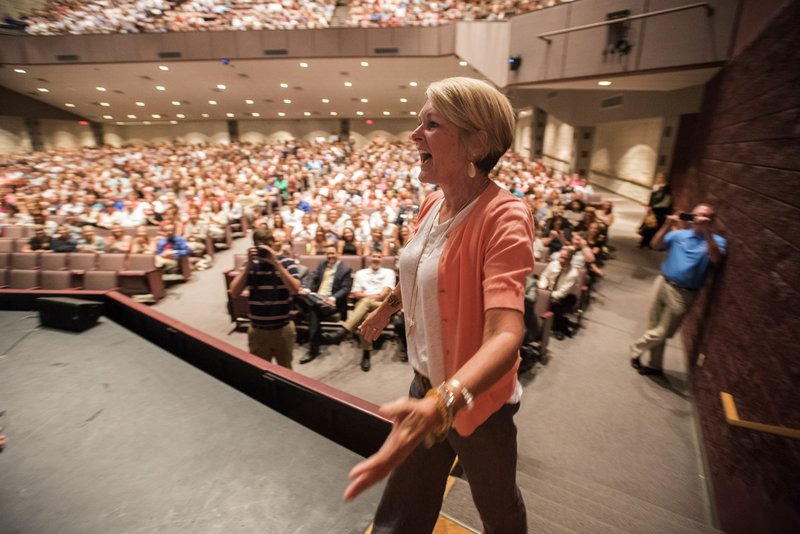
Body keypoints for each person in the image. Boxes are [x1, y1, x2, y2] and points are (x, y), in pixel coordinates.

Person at [344, 77, 533, 534]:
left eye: (431, 124)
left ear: (476, 142)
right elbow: (421, 271)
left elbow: (506, 334)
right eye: (419, 122)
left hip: (476, 401)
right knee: (403, 507)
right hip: (424, 387)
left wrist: (445, 402)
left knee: (498, 510)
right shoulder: (432, 203)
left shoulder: (504, 216)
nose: (414, 134)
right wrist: (388, 306)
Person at [630, 203, 726, 375]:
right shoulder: (680, 234)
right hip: (662, 282)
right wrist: (667, 225)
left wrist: (707, 232)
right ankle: (655, 366)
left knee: (663, 332)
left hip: (683, 292)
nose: (698, 219)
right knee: (653, 326)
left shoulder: (717, 241)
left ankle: (635, 348)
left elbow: (716, 258)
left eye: (704, 216)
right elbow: (655, 245)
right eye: (695, 215)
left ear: (711, 220)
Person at [229, 228, 302, 370]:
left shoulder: (287, 263)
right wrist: (248, 265)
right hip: (257, 330)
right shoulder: (249, 266)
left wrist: (276, 262)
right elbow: (234, 292)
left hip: (282, 329)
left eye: (266, 244)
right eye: (259, 244)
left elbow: (295, 289)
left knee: (286, 371)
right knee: (260, 371)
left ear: (274, 243)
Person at [322, 251, 397, 372]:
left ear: (383, 260)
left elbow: (384, 294)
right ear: (369, 259)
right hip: (363, 305)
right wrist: (368, 297)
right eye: (374, 256)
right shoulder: (360, 273)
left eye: (379, 257)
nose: (376, 259)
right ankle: (366, 352)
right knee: (364, 315)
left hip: (381, 305)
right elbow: (355, 294)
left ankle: (344, 331)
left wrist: (367, 297)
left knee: (364, 303)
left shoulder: (389, 272)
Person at [296, 244, 353, 364]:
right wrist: (307, 289)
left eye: (332, 253)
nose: (330, 256)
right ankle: (317, 303)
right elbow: (313, 277)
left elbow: (345, 289)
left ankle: (313, 350)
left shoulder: (346, 269)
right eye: (328, 253)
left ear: (338, 254)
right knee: (299, 294)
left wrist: (333, 298)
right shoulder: (322, 264)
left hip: (332, 302)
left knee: (313, 311)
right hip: (317, 298)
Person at [537, 247, 579, 340]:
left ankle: (557, 327)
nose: (562, 259)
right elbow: (544, 276)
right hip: (549, 291)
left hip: (567, 296)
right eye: (561, 257)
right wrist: (542, 287)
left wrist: (547, 296)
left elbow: (562, 292)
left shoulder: (573, 273)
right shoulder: (553, 264)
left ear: (570, 259)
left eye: (565, 258)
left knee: (555, 304)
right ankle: (538, 324)